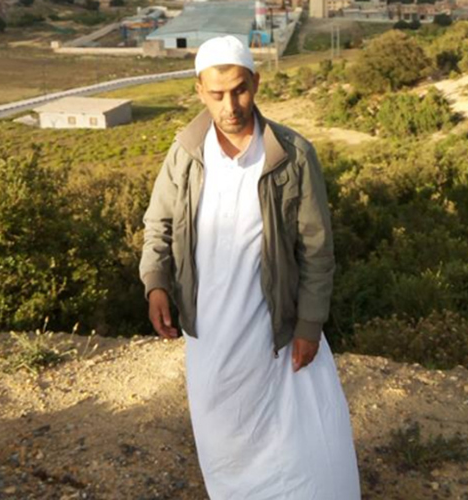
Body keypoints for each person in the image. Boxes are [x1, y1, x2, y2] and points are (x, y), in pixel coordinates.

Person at [139, 35, 361, 499]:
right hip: (210, 332)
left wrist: (310, 324)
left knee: (298, 443)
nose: (230, 106)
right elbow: (159, 223)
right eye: (217, 94)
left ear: (256, 83)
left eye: (239, 90)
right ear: (199, 91)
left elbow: (316, 248)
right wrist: (156, 282)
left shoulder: (292, 155)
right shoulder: (186, 153)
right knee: (224, 438)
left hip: (272, 329)